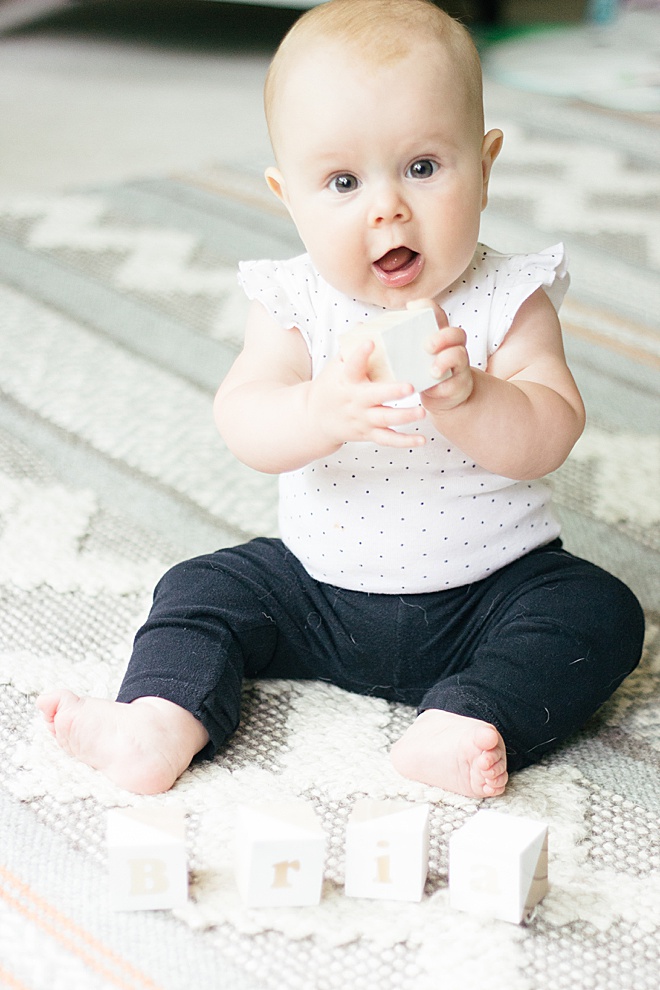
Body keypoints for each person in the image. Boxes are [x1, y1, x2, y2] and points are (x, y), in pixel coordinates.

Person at [37, 0, 644, 800]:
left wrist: (471, 395)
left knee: (602, 613)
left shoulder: (509, 297)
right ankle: (159, 719)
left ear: (486, 166)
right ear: (289, 196)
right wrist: (320, 412)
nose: (386, 207)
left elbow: (550, 432)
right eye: (343, 181)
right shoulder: (296, 300)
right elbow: (246, 419)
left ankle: (471, 715)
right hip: (315, 592)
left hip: (491, 592)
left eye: (423, 167)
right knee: (201, 588)